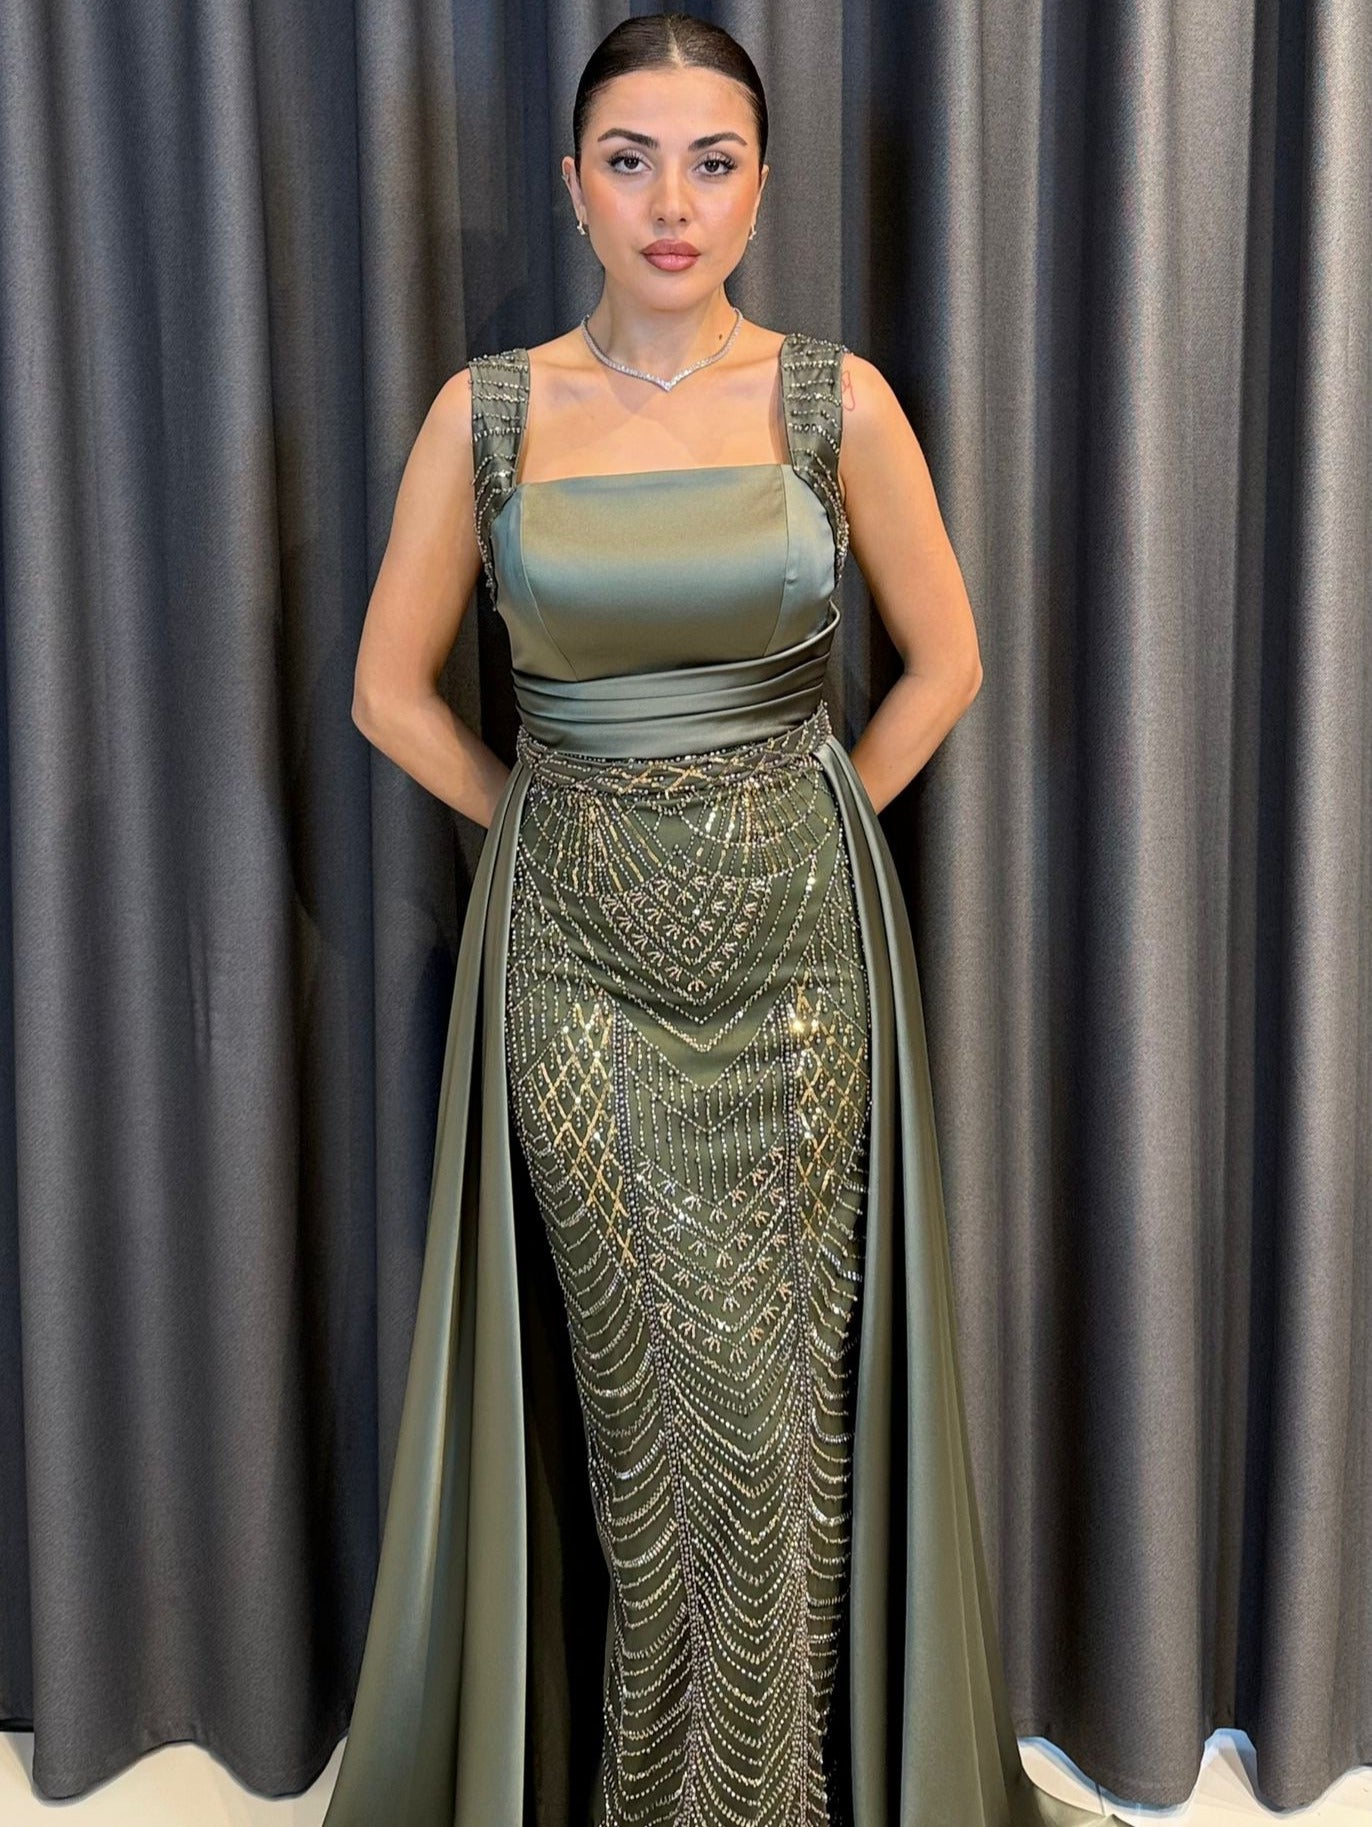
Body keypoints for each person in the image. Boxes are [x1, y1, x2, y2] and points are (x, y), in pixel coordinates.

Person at [325, 14, 1125, 1827]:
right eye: (630, 161)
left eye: (711, 162)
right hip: (580, 991)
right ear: (572, 188)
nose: (670, 204)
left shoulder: (837, 403)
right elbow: (386, 691)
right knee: (650, 1431)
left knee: (782, 1430)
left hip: (797, 989)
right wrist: (552, 823)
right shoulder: (489, 413)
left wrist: (807, 819)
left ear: (761, 189)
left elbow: (947, 663)